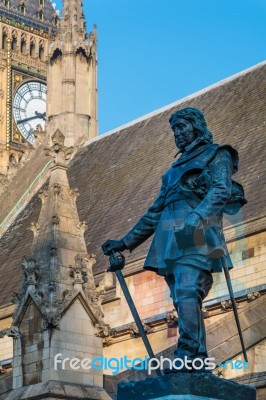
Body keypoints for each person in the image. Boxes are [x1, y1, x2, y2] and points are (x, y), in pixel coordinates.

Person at [102, 107, 246, 373]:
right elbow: (154, 212)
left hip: (199, 236)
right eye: (174, 130)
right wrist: (124, 242)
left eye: (182, 127)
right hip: (170, 241)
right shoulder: (172, 171)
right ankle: (197, 355)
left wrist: (196, 217)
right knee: (181, 298)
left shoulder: (217, 154)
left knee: (188, 289)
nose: (178, 134)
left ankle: (187, 351)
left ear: (196, 126)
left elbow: (221, 190)